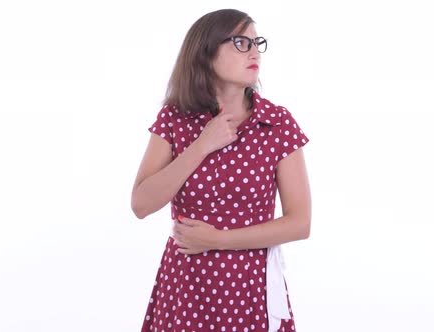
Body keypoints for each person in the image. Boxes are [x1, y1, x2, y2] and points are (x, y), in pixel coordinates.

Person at [131, 8, 311, 332]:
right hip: (186, 285)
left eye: (257, 42)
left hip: (249, 284)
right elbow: (141, 204)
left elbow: (300, 223)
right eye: (241, 42)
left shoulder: (277, 122)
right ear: (206, 51)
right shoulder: (175, 119)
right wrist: (201, 145)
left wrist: (218, 240)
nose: (254, 51)